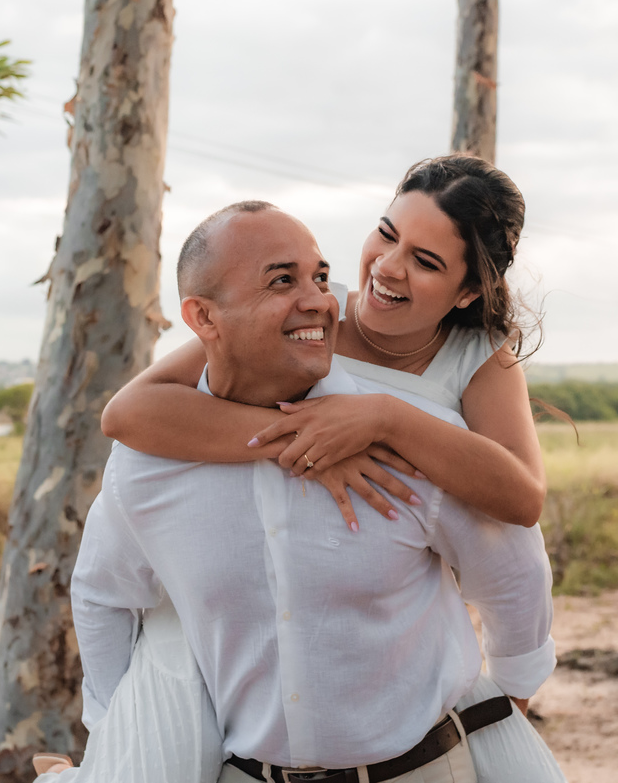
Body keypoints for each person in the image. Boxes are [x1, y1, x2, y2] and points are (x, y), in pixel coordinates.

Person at [39, 201, 558, 783]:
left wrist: (512, 697)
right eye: (284, 280)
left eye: (317, 276)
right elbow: (103, 590)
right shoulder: (153, 460)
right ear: (203, 318)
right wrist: (117, 741)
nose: (321, 296)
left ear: (463, 293)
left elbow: (516, 554)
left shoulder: (425, 433)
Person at [101, 155, 545, 535]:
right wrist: (306, 445)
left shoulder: (478, 358)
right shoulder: (308, 311)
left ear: (467, 292)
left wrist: (385, 418)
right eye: (387, 235)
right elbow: (129, 413)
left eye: (424, 261)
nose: (387, 267)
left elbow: (523, 499)